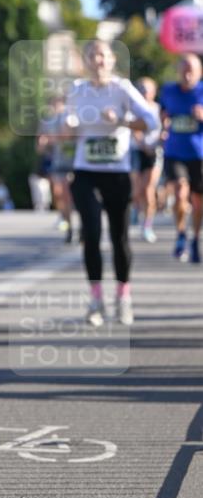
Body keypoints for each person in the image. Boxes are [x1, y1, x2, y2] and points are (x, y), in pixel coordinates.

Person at [65, 39, 159, 327]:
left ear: (112, 59)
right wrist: (66, 127)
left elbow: (151, 122)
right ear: (86, 60)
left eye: (103, 55)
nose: (98, 61)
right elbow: (66, 127)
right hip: (85, 171)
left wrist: (121, 120)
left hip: (117, 172)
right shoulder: (77, 90)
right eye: (92, 55)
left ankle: (123, 296)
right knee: (91, 232)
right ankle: (96, 300)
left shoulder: (123, 89)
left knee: (119, 238)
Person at [159, 53, 203, 263]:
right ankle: (181, 234)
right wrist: (163, 123)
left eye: (191, 70)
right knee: (180, 192)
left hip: (199, 154)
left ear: (199, 73)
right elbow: (161, 114)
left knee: (198, 201)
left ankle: (195, 238)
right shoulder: (168, 90)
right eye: (183, 69)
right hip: (175, 152)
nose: (187, 74)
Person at [36, 94, 76, 243]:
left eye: (59, 103)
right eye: (54, 104)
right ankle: (68, 225)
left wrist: (53, 138)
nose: (57, 107)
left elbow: (69, 136)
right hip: (59, 162)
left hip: (75, 162)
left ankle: (84, 226)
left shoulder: (72, 117)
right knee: (60, 194)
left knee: (73, 196)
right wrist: (43, 143)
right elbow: (40, 147)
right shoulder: (47, 122)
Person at [129, 77, 163, 244]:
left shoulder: (159, 109)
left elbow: (165, 127)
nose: (144, 91)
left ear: (154, 91)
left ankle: (147, 225)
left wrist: (163, 138)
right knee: (137, 189)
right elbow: (133, 128)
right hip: (136, 150)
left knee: (149, 188)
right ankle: (136, 208)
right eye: (141, 88)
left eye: (147, 88)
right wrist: (142, 143)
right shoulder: (133, 109)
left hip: (154, 152)